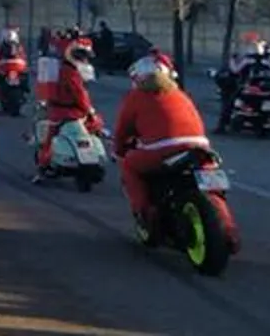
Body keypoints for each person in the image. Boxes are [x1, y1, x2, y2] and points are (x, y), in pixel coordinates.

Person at [112, 52, 229, 240]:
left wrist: (119, 151)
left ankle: (146, 216)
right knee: (213, 191)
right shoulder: (181, 95)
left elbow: (122, 132)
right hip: (200, 147)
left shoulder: (136, 97)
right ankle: (230, 232)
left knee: (129, 165)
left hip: (163, 150)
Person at [35, 32, 103, 177]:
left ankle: (43, 165)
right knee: (93, 126)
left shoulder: (65, 67)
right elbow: (80, 95)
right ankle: (44, 163)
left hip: (58, 110)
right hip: (70, 112)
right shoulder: (71, 72)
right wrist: (89, 110)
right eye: (81, 56)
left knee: (50, 137)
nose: (84, 60)